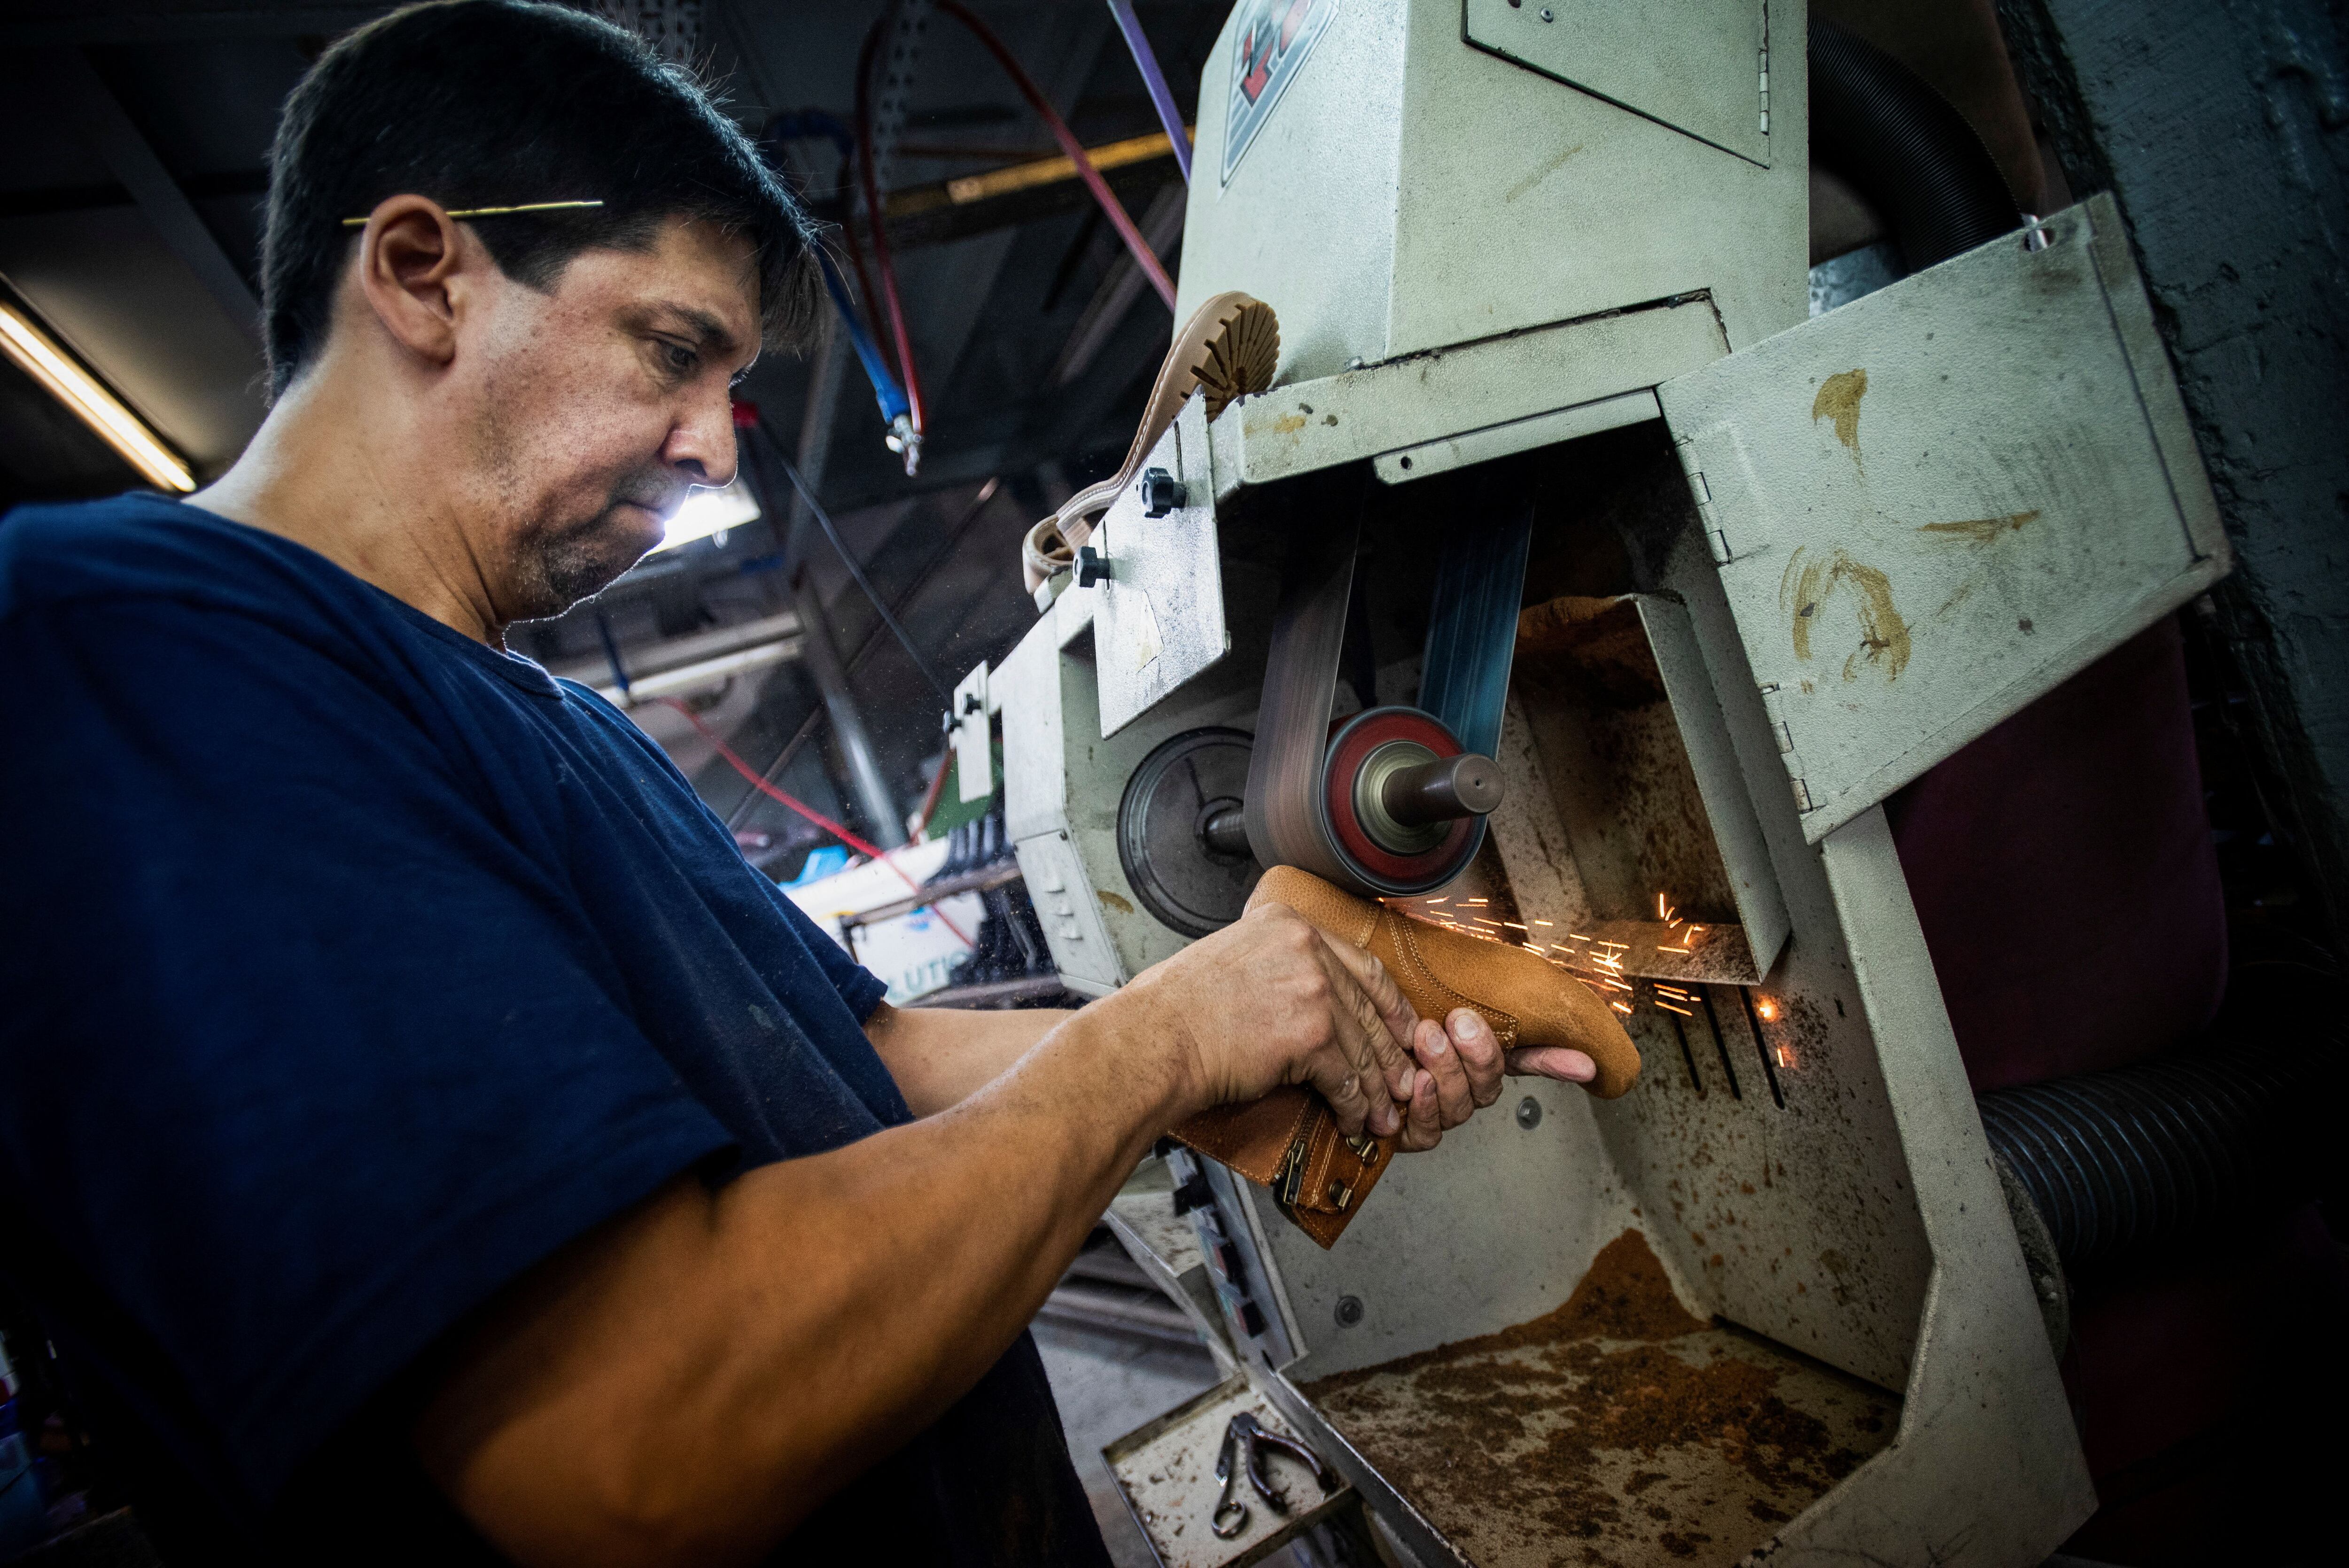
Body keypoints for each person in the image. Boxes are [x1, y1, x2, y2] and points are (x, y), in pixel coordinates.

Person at [0, 3, 1597, 1562]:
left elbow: (871, 1052)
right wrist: (1155, 1043)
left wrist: (1243, 1063)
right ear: (428, 275)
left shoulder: (572, 730)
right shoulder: (139, 641)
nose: (718, 454)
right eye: (674, 352)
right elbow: (632, 1443)